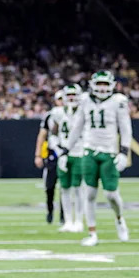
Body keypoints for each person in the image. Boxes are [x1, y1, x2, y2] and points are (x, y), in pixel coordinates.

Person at [63, 71, 132, 246]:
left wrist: (124, 152)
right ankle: (92, 233)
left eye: (105, 84)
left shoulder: (119, 102)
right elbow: (77, 127)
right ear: (93, 85)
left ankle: (119, 219)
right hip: (89, 151)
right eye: (99, 84)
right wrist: (65, 151)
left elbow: (125, 129)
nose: (102, 88)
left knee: (111, 195)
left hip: (109, 152)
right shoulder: (85, 100)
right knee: (90, 194)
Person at [52, 84, 85, 232]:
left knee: (78, 188)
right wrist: (58, 150)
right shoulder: (58, 112)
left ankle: (78, 220)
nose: (71, 97)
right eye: (69, 95)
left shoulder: (84, 112)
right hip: (63, 154)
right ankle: (68, 220)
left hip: (79, 153)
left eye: (74, 94)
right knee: (64, 189)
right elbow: (53, 133)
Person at [34, 90, 63, 224]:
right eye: (60, 99)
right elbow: (42, 136)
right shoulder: (50, 116)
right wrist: (38, 155)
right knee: (49, 186)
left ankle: (64, 215)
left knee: (66, 187)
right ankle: (50, 211)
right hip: (53, 153)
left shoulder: (75, 114)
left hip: (68, 153)